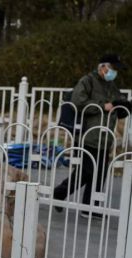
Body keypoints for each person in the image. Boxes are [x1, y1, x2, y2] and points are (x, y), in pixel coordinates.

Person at [54, 54, 130, 217]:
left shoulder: (111, 85)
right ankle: (61, 193)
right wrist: (104, 106)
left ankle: (91, 207)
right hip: (88, 135)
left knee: (100, 172)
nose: (114, 72)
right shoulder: (87, 81)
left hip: (105, 137)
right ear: (103, 67)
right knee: (87, 171)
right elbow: (78, 102)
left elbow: (117, 102)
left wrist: (123, 106)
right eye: (113, 68)